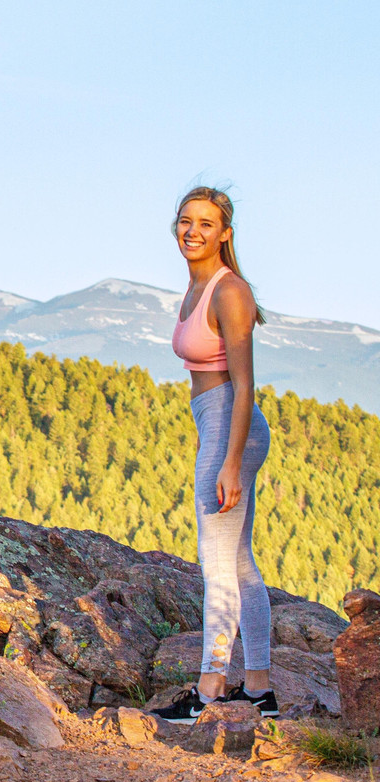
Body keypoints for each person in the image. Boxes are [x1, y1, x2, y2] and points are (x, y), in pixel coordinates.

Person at [151, 186, 280, 725]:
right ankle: (259, 691)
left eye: (206, 224)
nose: (193, 232)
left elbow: (245, 385)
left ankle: (209, 689)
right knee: (241, 563)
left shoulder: (230, 291)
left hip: (233, 424)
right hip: (216, 421)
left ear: (225, 233)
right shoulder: (196, 285)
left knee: (217, 561)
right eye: (185, 221)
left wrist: (229, 461)